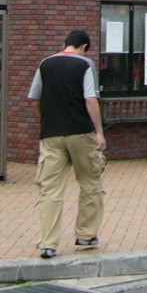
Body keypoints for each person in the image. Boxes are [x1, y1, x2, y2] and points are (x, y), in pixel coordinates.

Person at [29, 29, 106, 258]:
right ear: (83, 47)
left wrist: (45, 119)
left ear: (66, 44)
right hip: (81, 133)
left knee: (50, 189)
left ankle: (48, 243)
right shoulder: (85, 65)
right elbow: (90, 99)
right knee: (90, 182)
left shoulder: (45, 64)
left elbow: (33, 99)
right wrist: (99, 132)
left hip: (51, 134)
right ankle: (86, 234)